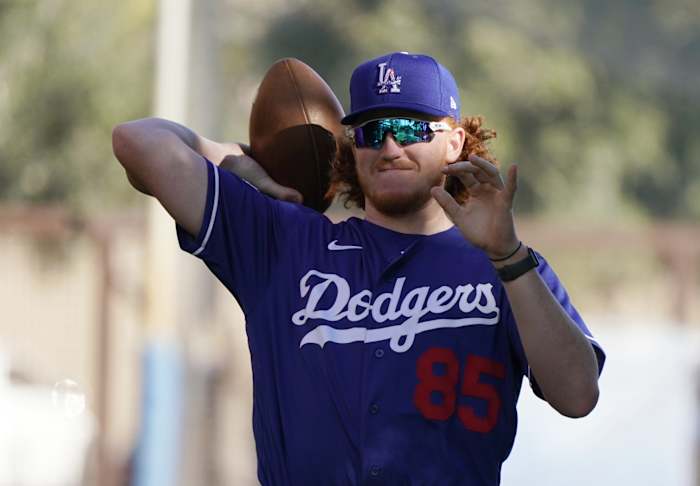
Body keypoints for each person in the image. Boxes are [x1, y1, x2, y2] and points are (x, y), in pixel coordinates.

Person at [113, 51, 606, 486]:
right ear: (352, 146)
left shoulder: (509, 267)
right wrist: (233, 159)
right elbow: (138, 142)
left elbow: (578, 396)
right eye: (372, 131)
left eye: (412, 128)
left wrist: (508, 257)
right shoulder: (286, 242)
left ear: (455, 143)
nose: (390, 147)